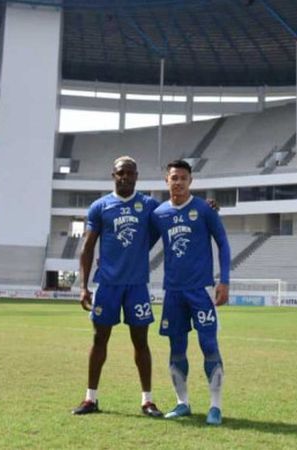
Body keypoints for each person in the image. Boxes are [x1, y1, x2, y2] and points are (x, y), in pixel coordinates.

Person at [72, 156, 163, 418]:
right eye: (120, 173)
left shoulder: (148, 206)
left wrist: (206, 206)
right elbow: (87, 247)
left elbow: (172, 218)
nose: (125, 177)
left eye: (130, 173)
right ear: (113, 175)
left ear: (137, 176)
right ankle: (90, 398)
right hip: (108, 285)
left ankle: (147, 400)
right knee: (99, 339)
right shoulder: (100, 206)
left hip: (137, 285)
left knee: (141, 342)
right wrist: (83, 286)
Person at [150, 159, 231, 425]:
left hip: (201, 289)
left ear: (190, 181)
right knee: (176, 348)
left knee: (209, 345)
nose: (179, 182)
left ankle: (215, 406)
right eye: (174, 177)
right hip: (173, 291)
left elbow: (223, 243)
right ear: (167, 181)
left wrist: (224, 281)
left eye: (184, 178)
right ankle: (182, 402)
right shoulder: (160, 213)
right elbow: (142, 244)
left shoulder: (204, 210)